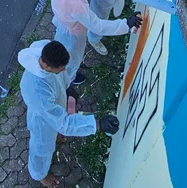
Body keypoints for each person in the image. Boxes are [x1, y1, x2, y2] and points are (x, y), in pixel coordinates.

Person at [19, 39, 121, 187]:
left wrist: (66, 88)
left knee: (56, 126)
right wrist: (97, 124)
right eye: (60, 69)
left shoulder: (44, 48)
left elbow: (58, 77)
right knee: (42, 146)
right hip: (43, 121)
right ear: (46, 66)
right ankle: (39, 174)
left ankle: (56, 135)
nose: (64, 71)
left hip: (54, 104)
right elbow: (64, 123)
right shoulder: (37, 90)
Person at [51, 0, 143, 85]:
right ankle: (70, 77)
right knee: (73, 56)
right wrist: (126, 24)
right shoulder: (75, 1)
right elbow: (97, 25)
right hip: (74, 30)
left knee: (64, 47)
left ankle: (66, 71)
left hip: (62, 18)